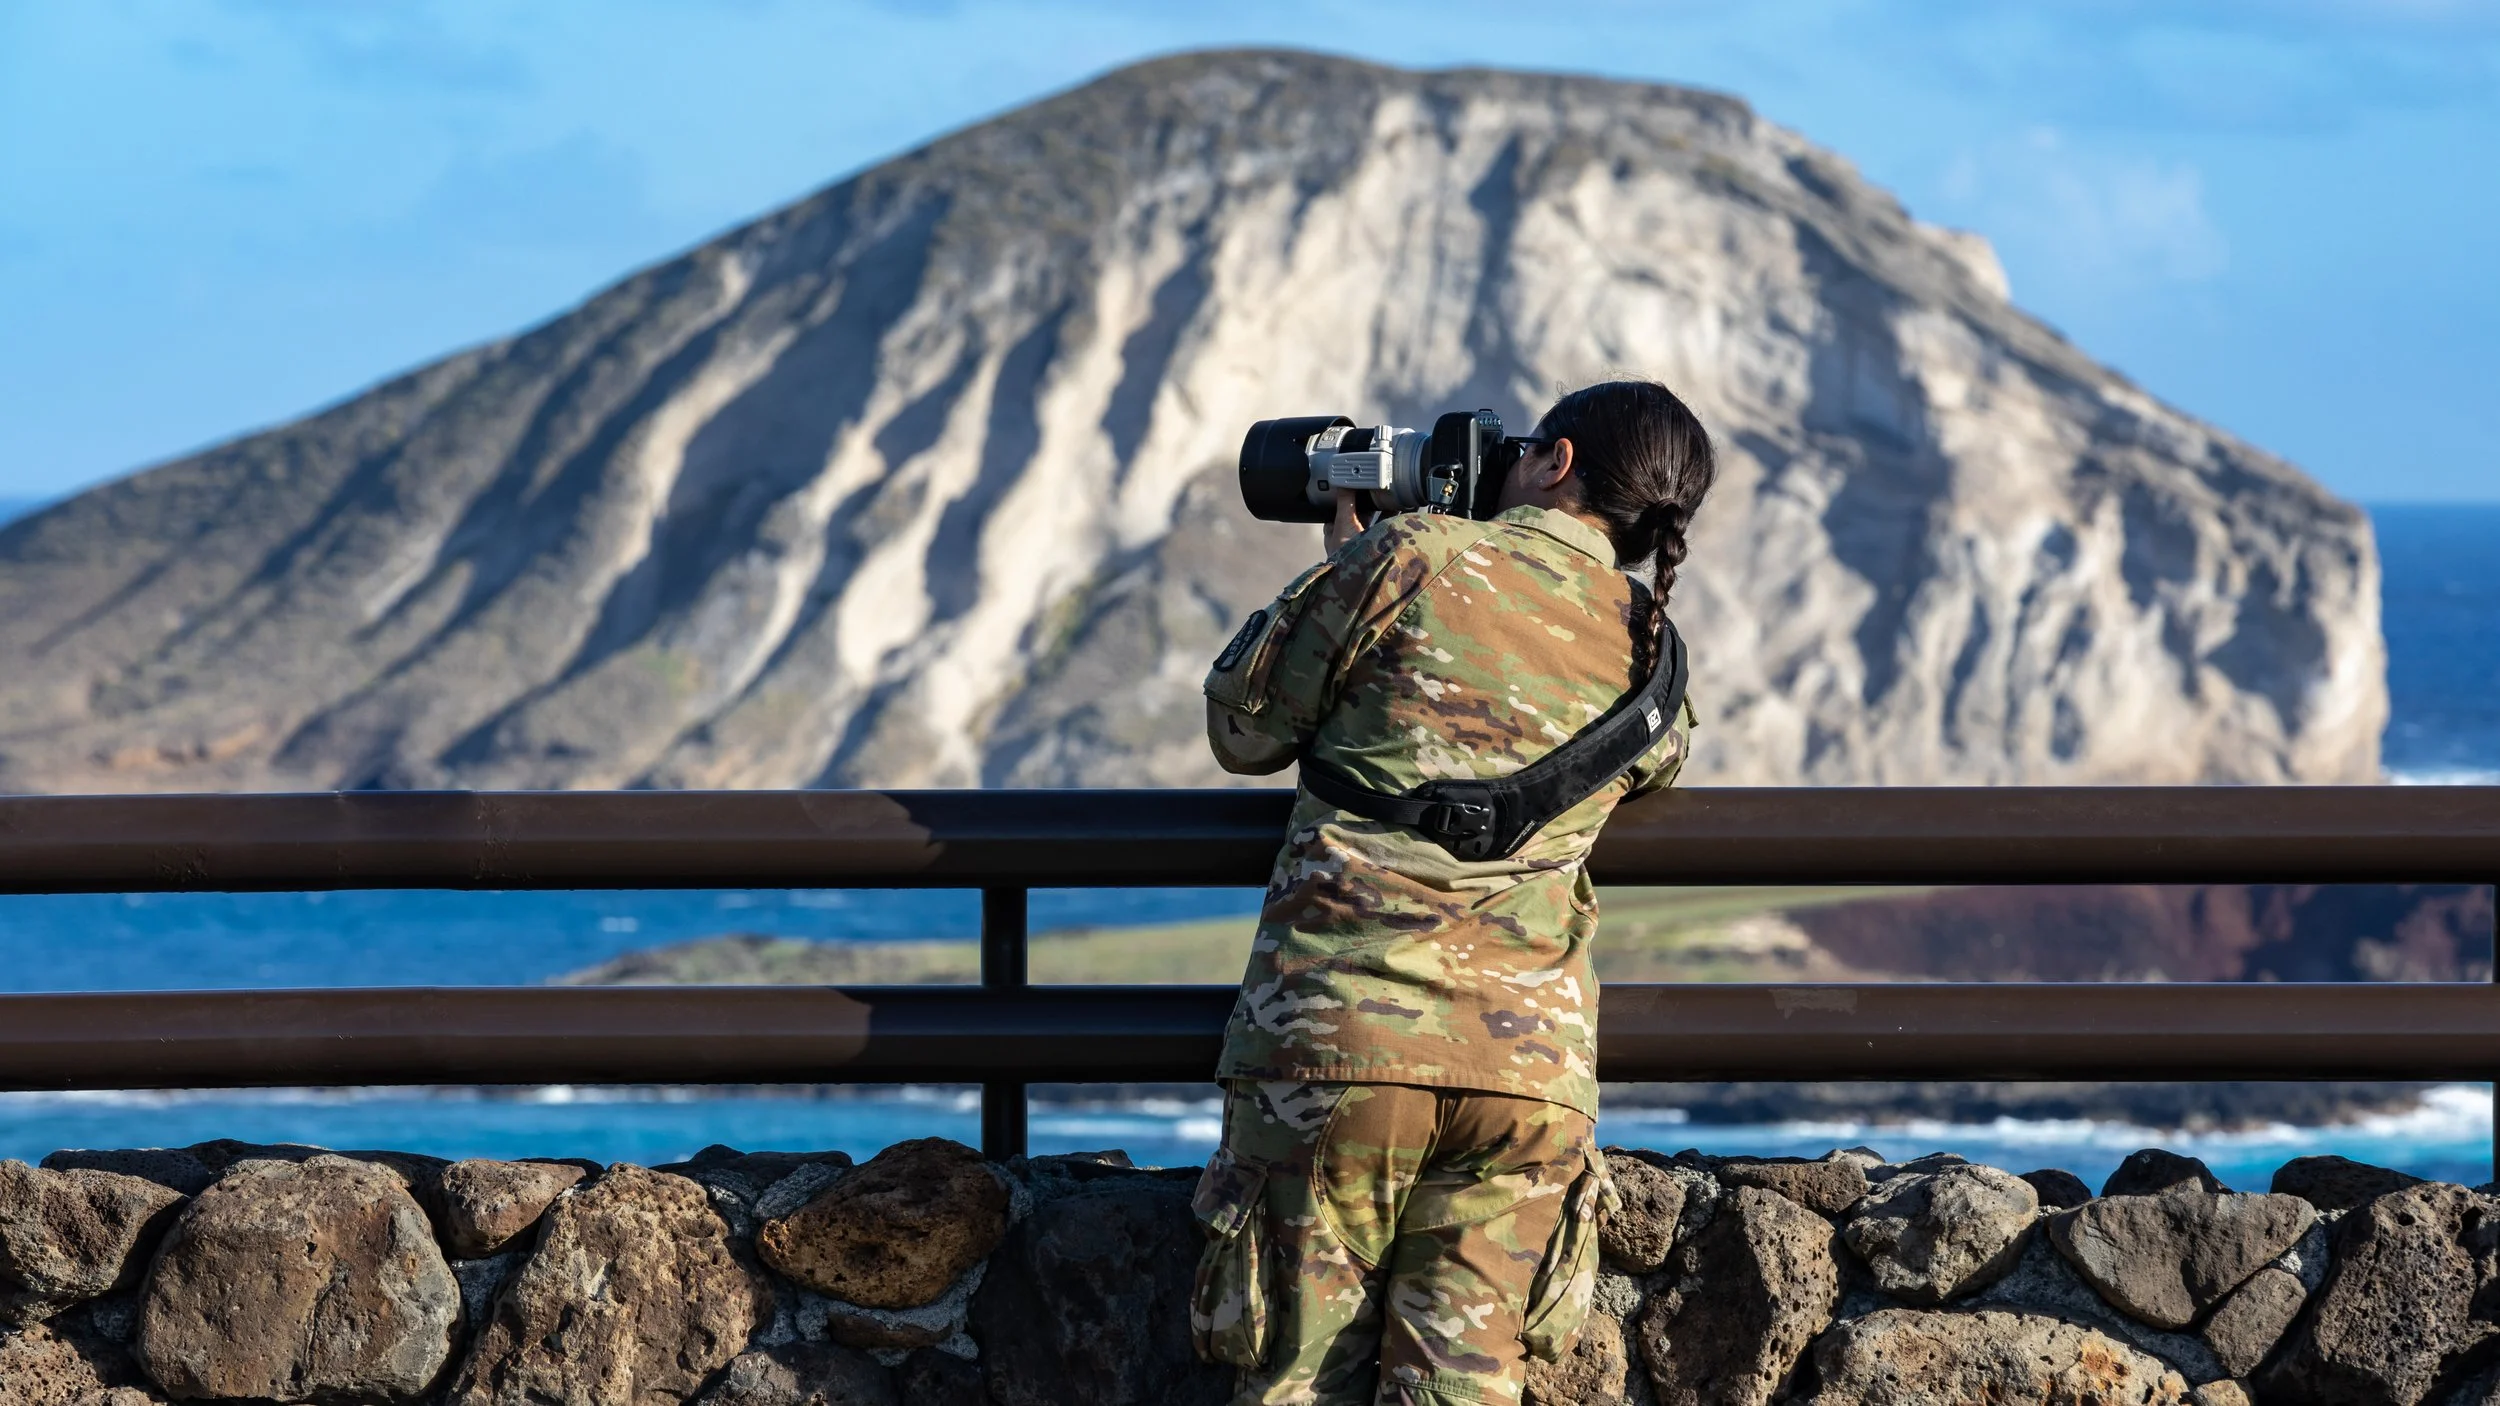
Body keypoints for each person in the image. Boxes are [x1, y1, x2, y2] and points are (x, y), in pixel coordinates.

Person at [1190, 379, 1718, 1406]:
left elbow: (1243, 732)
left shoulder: (1408, 558)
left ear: (1554, 462)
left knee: (1293, 1382)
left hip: (1339, 1049)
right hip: (1527, 1080)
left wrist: (1344, 569)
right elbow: (1661, 761)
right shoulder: (1653, 650)